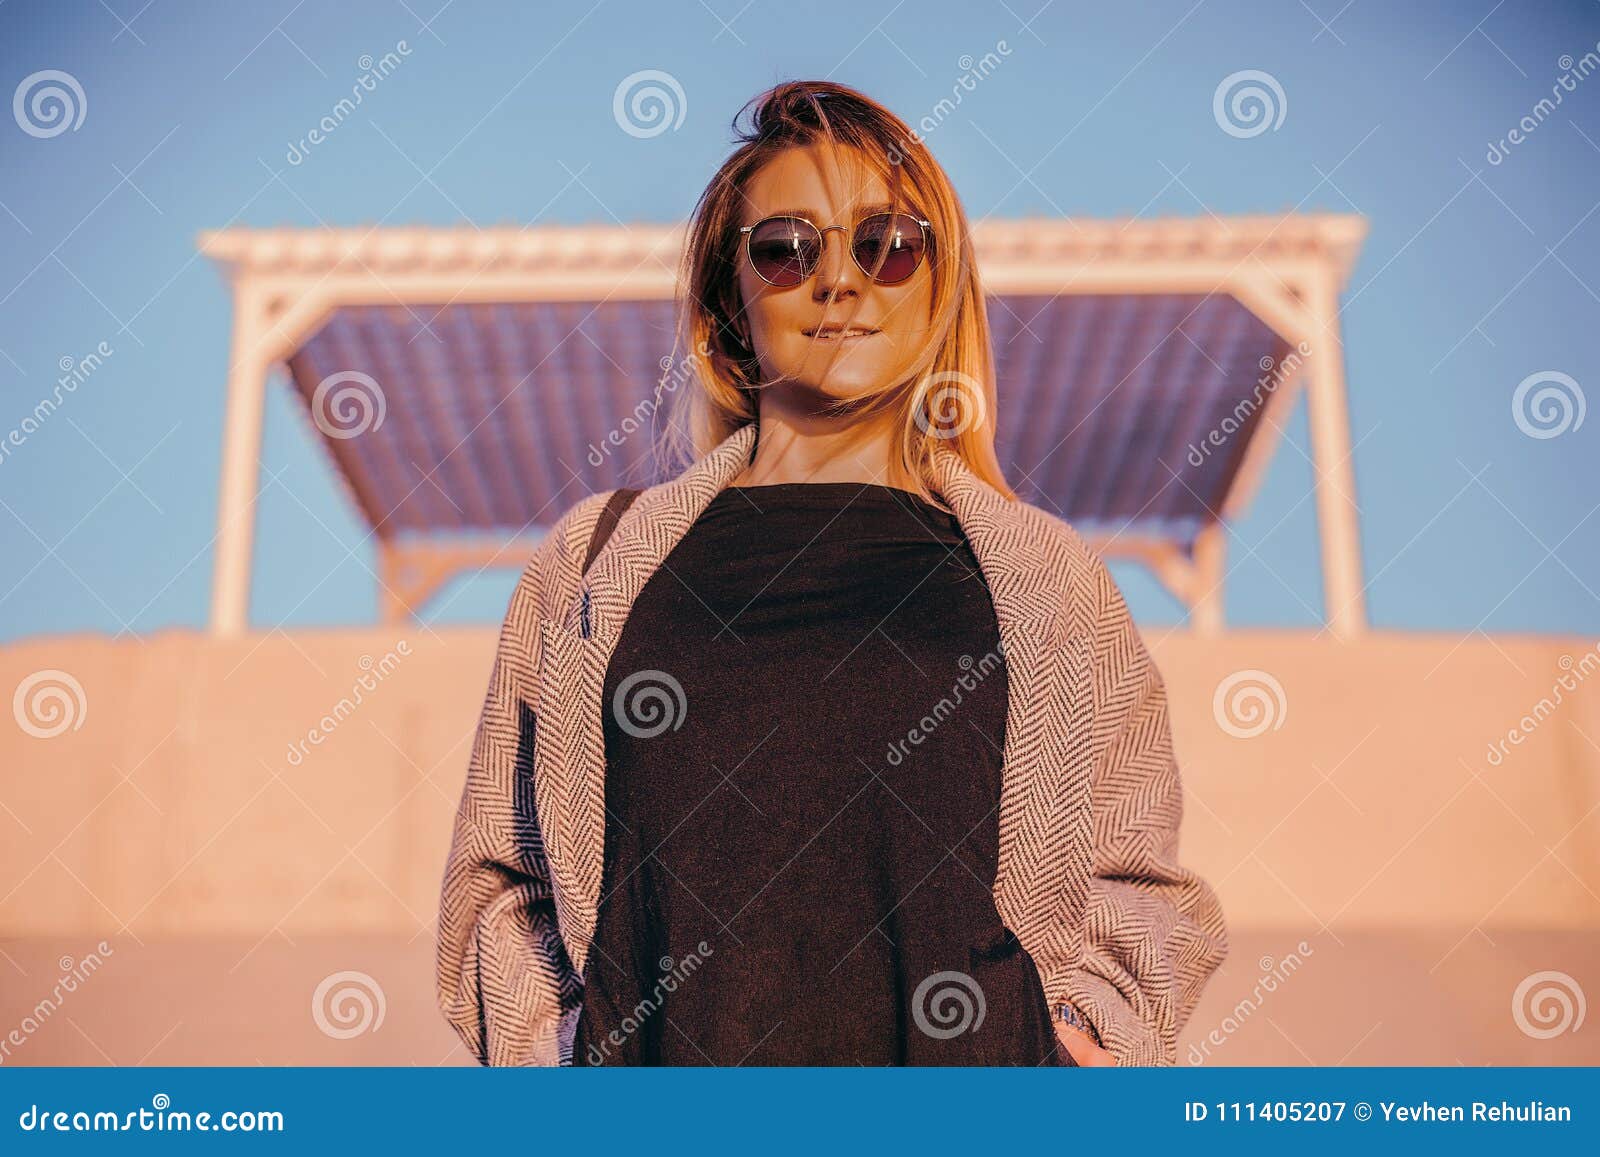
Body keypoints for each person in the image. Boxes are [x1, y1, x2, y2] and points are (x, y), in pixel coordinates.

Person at [435, 80, 1228, 1067]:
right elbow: (502, 877)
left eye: (886, 243)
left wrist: (1080, 1051)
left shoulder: (1046, 575)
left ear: (940, 282)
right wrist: (558, 1054)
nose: (838, 281)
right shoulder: (594, 562)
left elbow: (1134, 883)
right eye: (786, 247)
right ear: (731, 300)